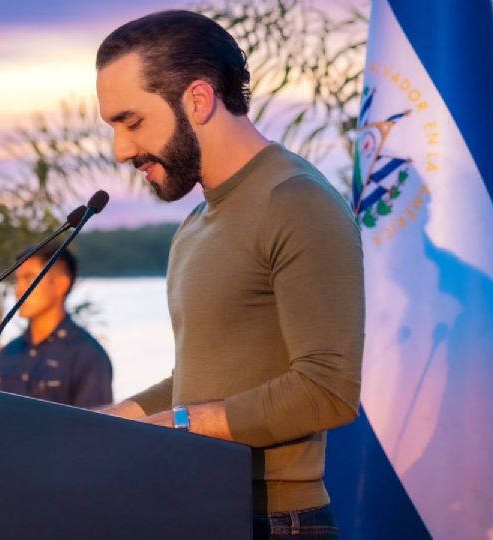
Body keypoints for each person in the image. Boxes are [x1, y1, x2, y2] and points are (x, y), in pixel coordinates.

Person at [95, 11, 364, 539]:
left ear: (198, 99)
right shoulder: (197, 224)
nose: (120, 150)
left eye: (132, 122)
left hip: (277, 521)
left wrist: (173, 426)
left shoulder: (296, 200)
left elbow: (326, 390)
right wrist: (99, 423)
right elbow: (200, 384)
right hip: (202, 509)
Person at [0, 244, 113, 408]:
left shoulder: (87, 356)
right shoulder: (8, 354)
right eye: (17, 281)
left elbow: (96, 428)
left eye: (28, 279)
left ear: (60, 285)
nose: (18, 290)